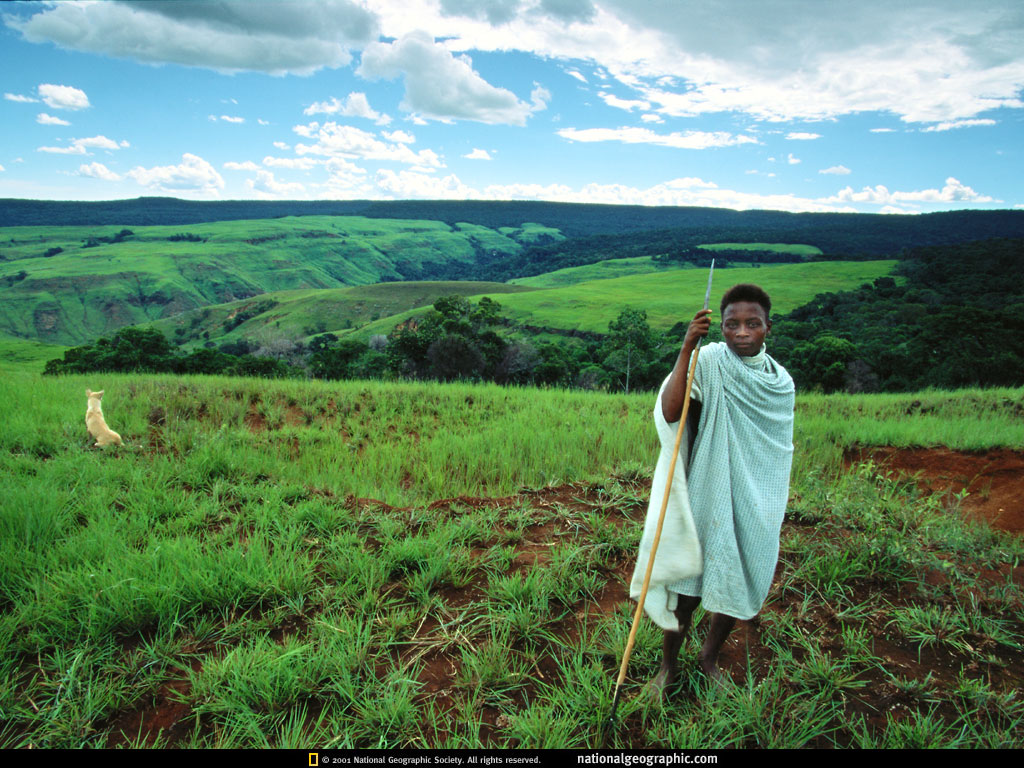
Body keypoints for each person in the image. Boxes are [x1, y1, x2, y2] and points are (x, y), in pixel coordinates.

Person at [631, 283, 795, 693]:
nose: (742, 332)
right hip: (706, 487)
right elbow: (671, 410)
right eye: (732, 324)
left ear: (768, 327)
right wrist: (687, 347)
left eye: (752, 324)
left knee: (738, 577)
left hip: (757, 496)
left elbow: (775, 451)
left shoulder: (780, 383)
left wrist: (766, 499)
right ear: (720, 327)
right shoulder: (708, 360)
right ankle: (668, 667)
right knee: (686, 588)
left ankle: (709, 658)